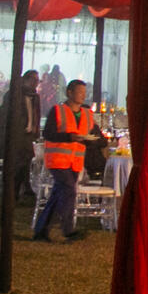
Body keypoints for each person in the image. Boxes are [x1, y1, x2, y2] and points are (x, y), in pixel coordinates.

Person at [35, 81, 98, 242]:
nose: (83, 95)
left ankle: (41, 230)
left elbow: (96, 135)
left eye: (84, 92)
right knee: (69, 189)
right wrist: (69, 137)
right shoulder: (57, 111)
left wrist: (91, 141)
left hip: (75, 161)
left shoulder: (87, 114)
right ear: (69, 93)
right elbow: (48, 133)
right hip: (58, 160)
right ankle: (68, 230)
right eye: (80, 92)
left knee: (58, 194)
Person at [0, 69, 42, 200]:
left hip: (30, 135)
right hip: (17, 135)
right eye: (34, 80)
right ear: (26, 80)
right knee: (17, 164)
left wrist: (35, 130)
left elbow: (37, 114)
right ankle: (12, 191)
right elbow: (4, 113)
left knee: (28, 163)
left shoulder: (35, 97)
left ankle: (26, 189)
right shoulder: (14, 95)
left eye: (37, 80)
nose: (36, 83)